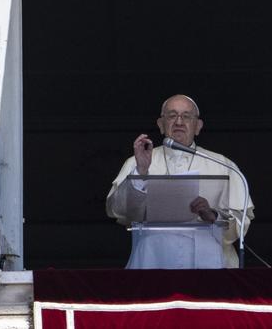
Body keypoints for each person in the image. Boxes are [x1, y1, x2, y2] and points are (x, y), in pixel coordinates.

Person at [106, 94, 255, 268]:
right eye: (171, 115)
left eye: (186, 116)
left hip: (209, 261)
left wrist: (213, 216)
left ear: (198, 126)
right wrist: (141, 172)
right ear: (161, 125)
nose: (178, 122)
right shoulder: (137, 162)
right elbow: (119, 212)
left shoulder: (222, 165)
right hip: (154, 258)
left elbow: (241, 221)